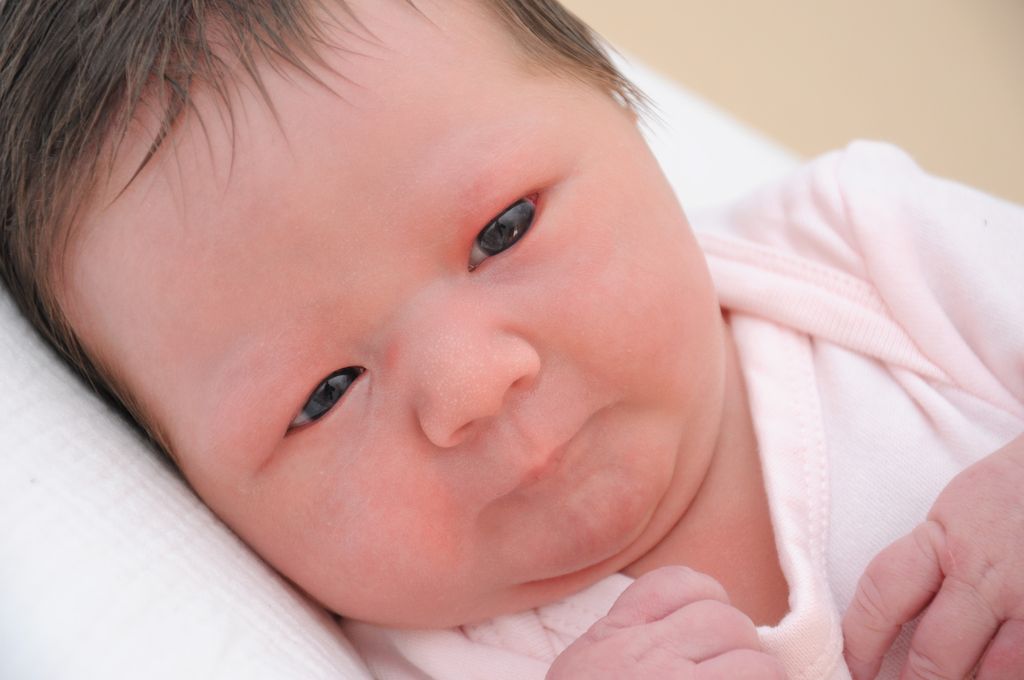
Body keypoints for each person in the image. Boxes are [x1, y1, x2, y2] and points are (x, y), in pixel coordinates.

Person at [1, 1, 1021, 678]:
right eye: (323, 393)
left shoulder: (864, 251)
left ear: (624, 113)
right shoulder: (394, 658)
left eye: (504, 230)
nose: (469, 386)